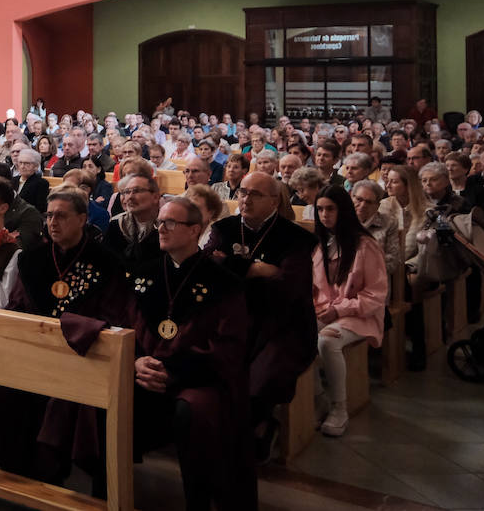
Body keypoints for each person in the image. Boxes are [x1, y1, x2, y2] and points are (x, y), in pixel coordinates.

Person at [0, 186, 129, 482]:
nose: (52, 223)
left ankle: (50, 473)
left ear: (82, 219)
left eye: (61, 216)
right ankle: (16, 467)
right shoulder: (33, 259)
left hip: (82, 354)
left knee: (60, 401)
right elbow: (17, 306)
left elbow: (112, 316)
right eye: (49, 216)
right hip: (33, 348)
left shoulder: (107, 262)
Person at [127, 197, 254, 510]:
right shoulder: (146, 274)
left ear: (195, 229)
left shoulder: (224, 282)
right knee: (101, 396)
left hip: (201, 376)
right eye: (160, 222)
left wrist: (174, 372)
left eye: (171, 223)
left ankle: (199, 500)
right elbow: (125, 324)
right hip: (146, 370)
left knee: (194, 410)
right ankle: (108, 489)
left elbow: (228, 344)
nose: (161, 229)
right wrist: (136, 360)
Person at [204, 170, 317, 462]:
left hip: (281, 324)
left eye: (255, 194)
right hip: (230, 318)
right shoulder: (225, 228)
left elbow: (288, 287)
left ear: (274, 200)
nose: (245, 199)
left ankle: (258, 428)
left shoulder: (296, 238)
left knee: (263, 376)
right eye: (242, 192)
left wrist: (229, 266)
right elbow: (206, 271)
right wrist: (255, 269)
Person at [310, 185, 387, 438]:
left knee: (327, 341)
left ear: (343, 209)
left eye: (330, 209)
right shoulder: (323, 244)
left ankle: (338, 407)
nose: (324, 214)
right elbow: (317, 289)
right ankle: (318, 396)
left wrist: (339, 310)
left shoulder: (365, 245)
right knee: (296, 333)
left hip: (359, 314)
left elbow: (375, 294)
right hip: (327, 311)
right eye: (320, 209)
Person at [103, 173, 162, 268]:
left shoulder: (164, 228)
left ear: (155, 197)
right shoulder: (117, 225)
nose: (130, 197)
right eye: (126, 192)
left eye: (136, 191)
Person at [350, 180, 400, 278]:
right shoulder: (342, 220)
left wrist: (359, 265)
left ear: (377, 205)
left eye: (368, 202)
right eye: (359, 199)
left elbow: (393, 261)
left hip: (375, 282)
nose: (363, 205)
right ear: (351, 198)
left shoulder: (389, 223)